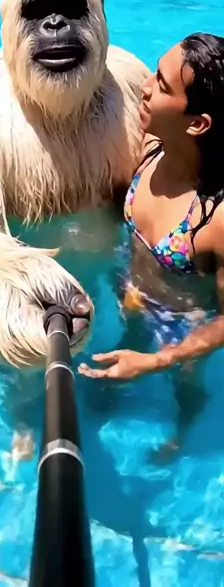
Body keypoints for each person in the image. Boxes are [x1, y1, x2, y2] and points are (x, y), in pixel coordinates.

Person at [79, 34, 224, 378]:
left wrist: (157, 361)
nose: (144, 87)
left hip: (181, 328)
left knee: (185, 394)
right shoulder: (151, 147)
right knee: (106, 381)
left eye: (162, 85)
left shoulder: (216, 219)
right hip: (129, 290)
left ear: (198, 123)